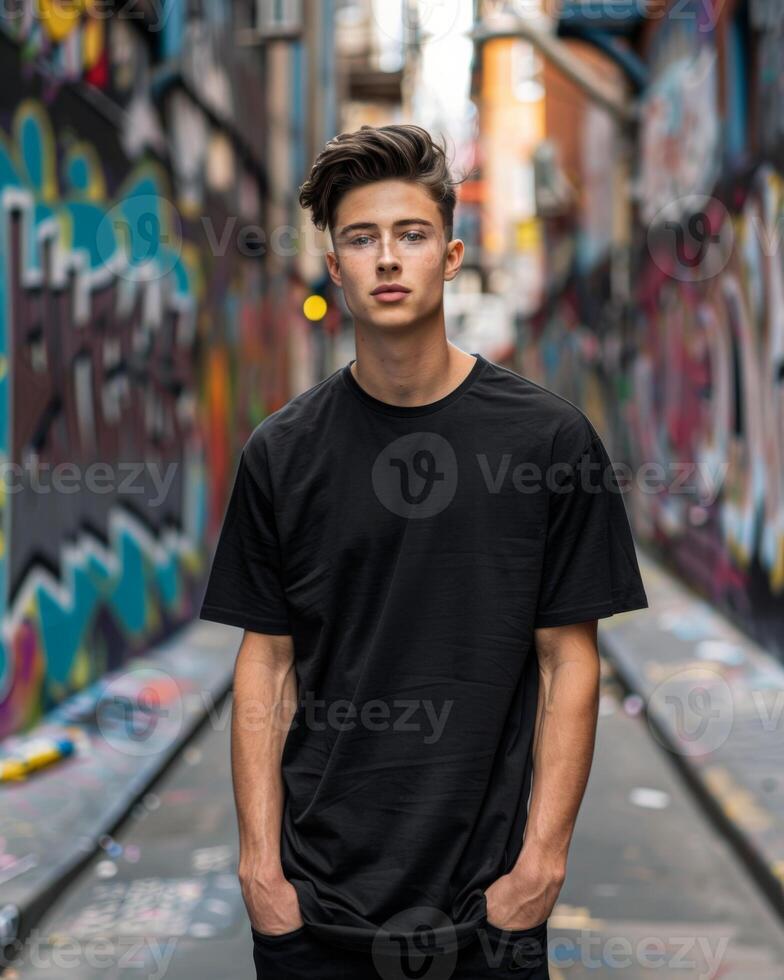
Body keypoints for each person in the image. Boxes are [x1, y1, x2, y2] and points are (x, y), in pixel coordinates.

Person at [199, 124, 649, 979]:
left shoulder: (548, 441)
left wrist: (541, 866)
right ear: (335, 268)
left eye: (410, 235)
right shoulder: (282, 453)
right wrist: (262, 870)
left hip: (488, 909)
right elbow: (266, 663)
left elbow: (568, 662)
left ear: (451, 254)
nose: (387, 259)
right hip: (313, 908)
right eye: (361, 239)